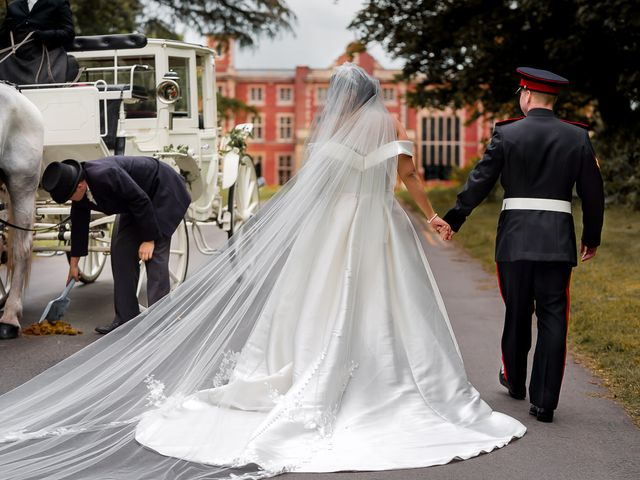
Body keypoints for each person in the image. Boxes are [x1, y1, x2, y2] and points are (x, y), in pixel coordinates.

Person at [0, 64, 525, 479]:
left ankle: (301, 369)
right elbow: (407, 174)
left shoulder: (332, 134)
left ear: (342, 101)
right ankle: (389, 379)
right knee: (390, 303)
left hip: (333, 226)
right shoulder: (388, 125)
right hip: (379, 227)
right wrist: (432, 215)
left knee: (316, 298)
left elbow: (313, 190)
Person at [443, 67, 605, 423]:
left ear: (527, 96)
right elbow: (593, 194)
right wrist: (591, 237)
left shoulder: (507, 133)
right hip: (557, 241)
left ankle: (515, 380)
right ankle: (544, 401)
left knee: (517, 310)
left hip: (514, 239)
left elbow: (480, 181)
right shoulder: (577, 137)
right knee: (552, 315)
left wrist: (454, 219)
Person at [41, 156, 192, 334]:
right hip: (134, 202)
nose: (69, 200)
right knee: (121, 251)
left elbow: (140, 199)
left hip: (161, 191)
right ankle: (126, 319)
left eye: (68, 197)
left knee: (154, 255)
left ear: (80, 186)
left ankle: (161, 320)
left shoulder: (105, 174)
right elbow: (79, 225)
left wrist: (149, 239)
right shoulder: (79, 190)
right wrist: (74, 265)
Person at [0, 0, 75, 84]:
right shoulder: (13, 6)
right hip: (16, 60)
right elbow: (3, 42)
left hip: (47, 58)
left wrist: (45, 35)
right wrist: (7, 30)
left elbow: (69, 34)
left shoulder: (59, 3)